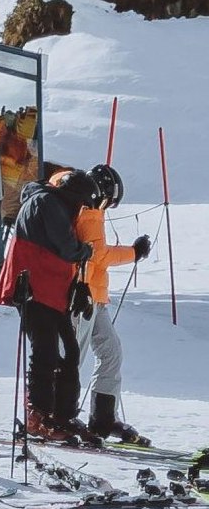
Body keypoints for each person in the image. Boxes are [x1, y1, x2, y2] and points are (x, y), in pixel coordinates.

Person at [0, 164, 99, 442]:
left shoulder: (50, 200)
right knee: (46, 352)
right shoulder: (47, 201)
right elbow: (67, 247)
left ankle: (62, 415)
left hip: (50, 290)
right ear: (73, 195)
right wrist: (86, 250)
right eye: (81, 203)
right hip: (33, 287)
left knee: (68, 352)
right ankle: (37, 416)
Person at [75, 163, 155, 445]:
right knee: (74, 357)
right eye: (110, 200)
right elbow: (100, 257)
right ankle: (60, 415)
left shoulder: (94, 213)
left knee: (111, 352)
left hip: (97, 297)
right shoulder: (87, 214)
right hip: (82, 296)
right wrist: (134, 253)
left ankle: (102, 418)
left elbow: (99, 255)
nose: (109, 206)